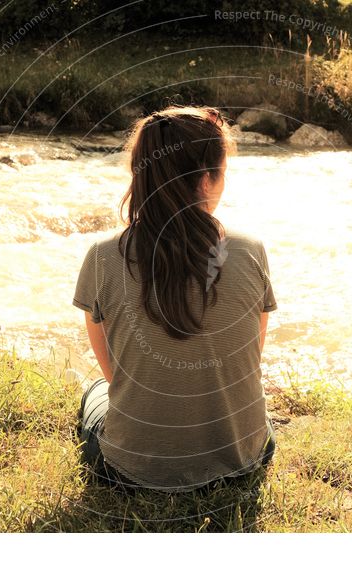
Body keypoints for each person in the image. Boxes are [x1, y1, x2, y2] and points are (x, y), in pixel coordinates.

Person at [72, 105, 277, 493]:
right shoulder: (251, 250)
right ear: (205, 180)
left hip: (132, 468)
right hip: (241, 460)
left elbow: (115, 373)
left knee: (96, 391)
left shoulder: (102, 256)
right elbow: (252, 355)